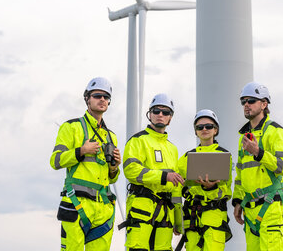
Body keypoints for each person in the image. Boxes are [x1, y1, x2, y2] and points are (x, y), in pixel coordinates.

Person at [50, 77, 121, 251]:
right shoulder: (71, 127)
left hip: (103, 209)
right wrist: (81, 151)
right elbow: (56, 161)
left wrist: (114, 168)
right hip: (77, 204)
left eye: (106, 97)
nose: (102, 99)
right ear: (87, 98)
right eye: (97, 95)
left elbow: (111, 179)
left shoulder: (111, 136)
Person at [120, 93, 184, 251]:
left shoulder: (172, 149)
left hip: (165, 213)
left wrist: (178, 221)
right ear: (150, 115)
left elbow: (176, 188)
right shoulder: (138, 140)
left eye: (165, 112)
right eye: (156, 111)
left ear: (170, 117)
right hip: (142, 206)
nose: (160, 115)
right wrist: (163, 176)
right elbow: (131, 170)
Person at [232, 82, 283, 251]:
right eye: (243, 101)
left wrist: (258, 152)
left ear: (264, 104)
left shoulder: (276, 132)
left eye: (251, 100)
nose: (246, 105)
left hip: (271, 208)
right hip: (250, 211)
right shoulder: (244, 137)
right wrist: (237, 201)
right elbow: (240, 174)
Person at [177, 109, 233, 251]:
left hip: (214, 219)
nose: (204, 129)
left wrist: (211, 188)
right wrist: (177, 221)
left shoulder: (224, 156)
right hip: (192, 220)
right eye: (199, 127)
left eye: (208, 126)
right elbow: (176, 188)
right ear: (196, 131)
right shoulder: (185, 158)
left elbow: (226, 191)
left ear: (216, 130)